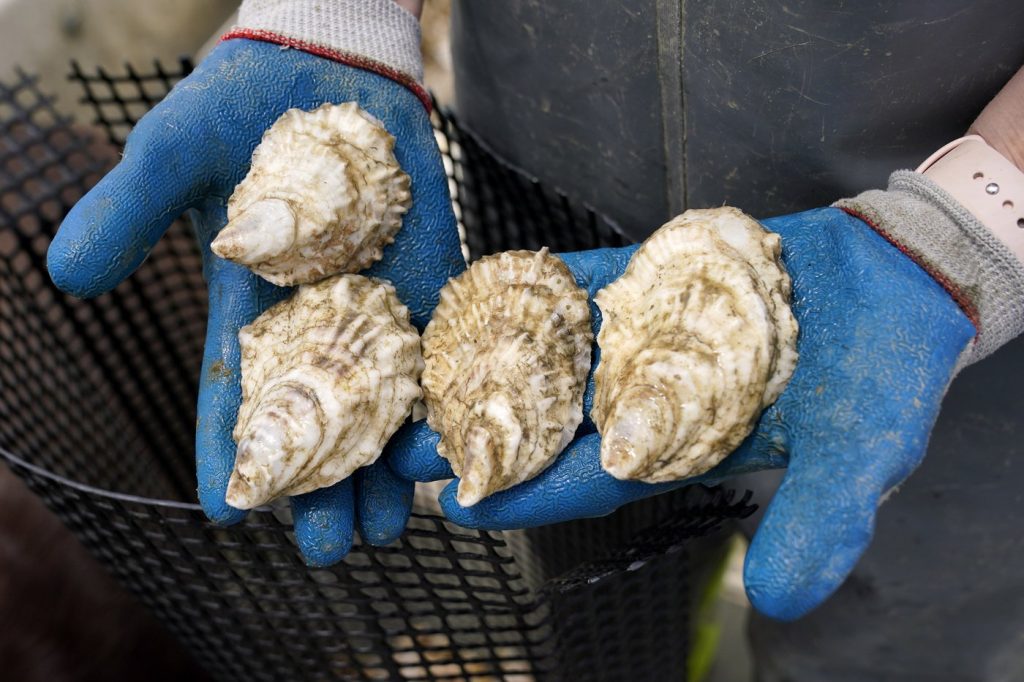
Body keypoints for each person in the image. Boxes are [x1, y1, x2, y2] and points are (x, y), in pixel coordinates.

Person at [45, 1, 1024, 679]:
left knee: (903, 636)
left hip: (950, 296)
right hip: (548, 146)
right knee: (590, 576)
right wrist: (336, 13)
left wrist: (976, 225)